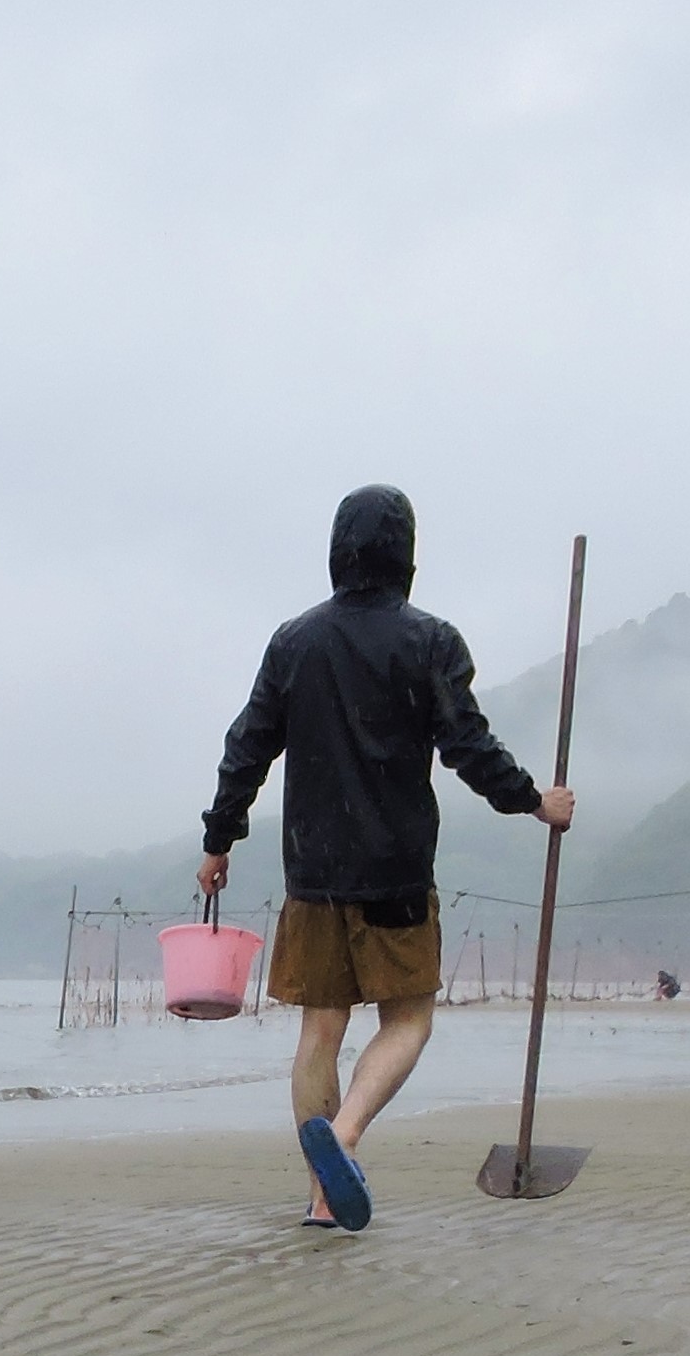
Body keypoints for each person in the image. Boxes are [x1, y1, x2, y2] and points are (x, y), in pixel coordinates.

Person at [199, 486, 571, 1230]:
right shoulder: (430, 640)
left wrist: (219, 838)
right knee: (408, 1021)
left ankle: (320, 1200)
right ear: (407, 555)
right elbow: (467, 745)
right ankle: (346, 1137)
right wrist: (533, 801)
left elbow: (248, 747)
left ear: (337, 550)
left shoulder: (293, 641)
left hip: (312, 870)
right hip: (397, 870)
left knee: (319, 1032)